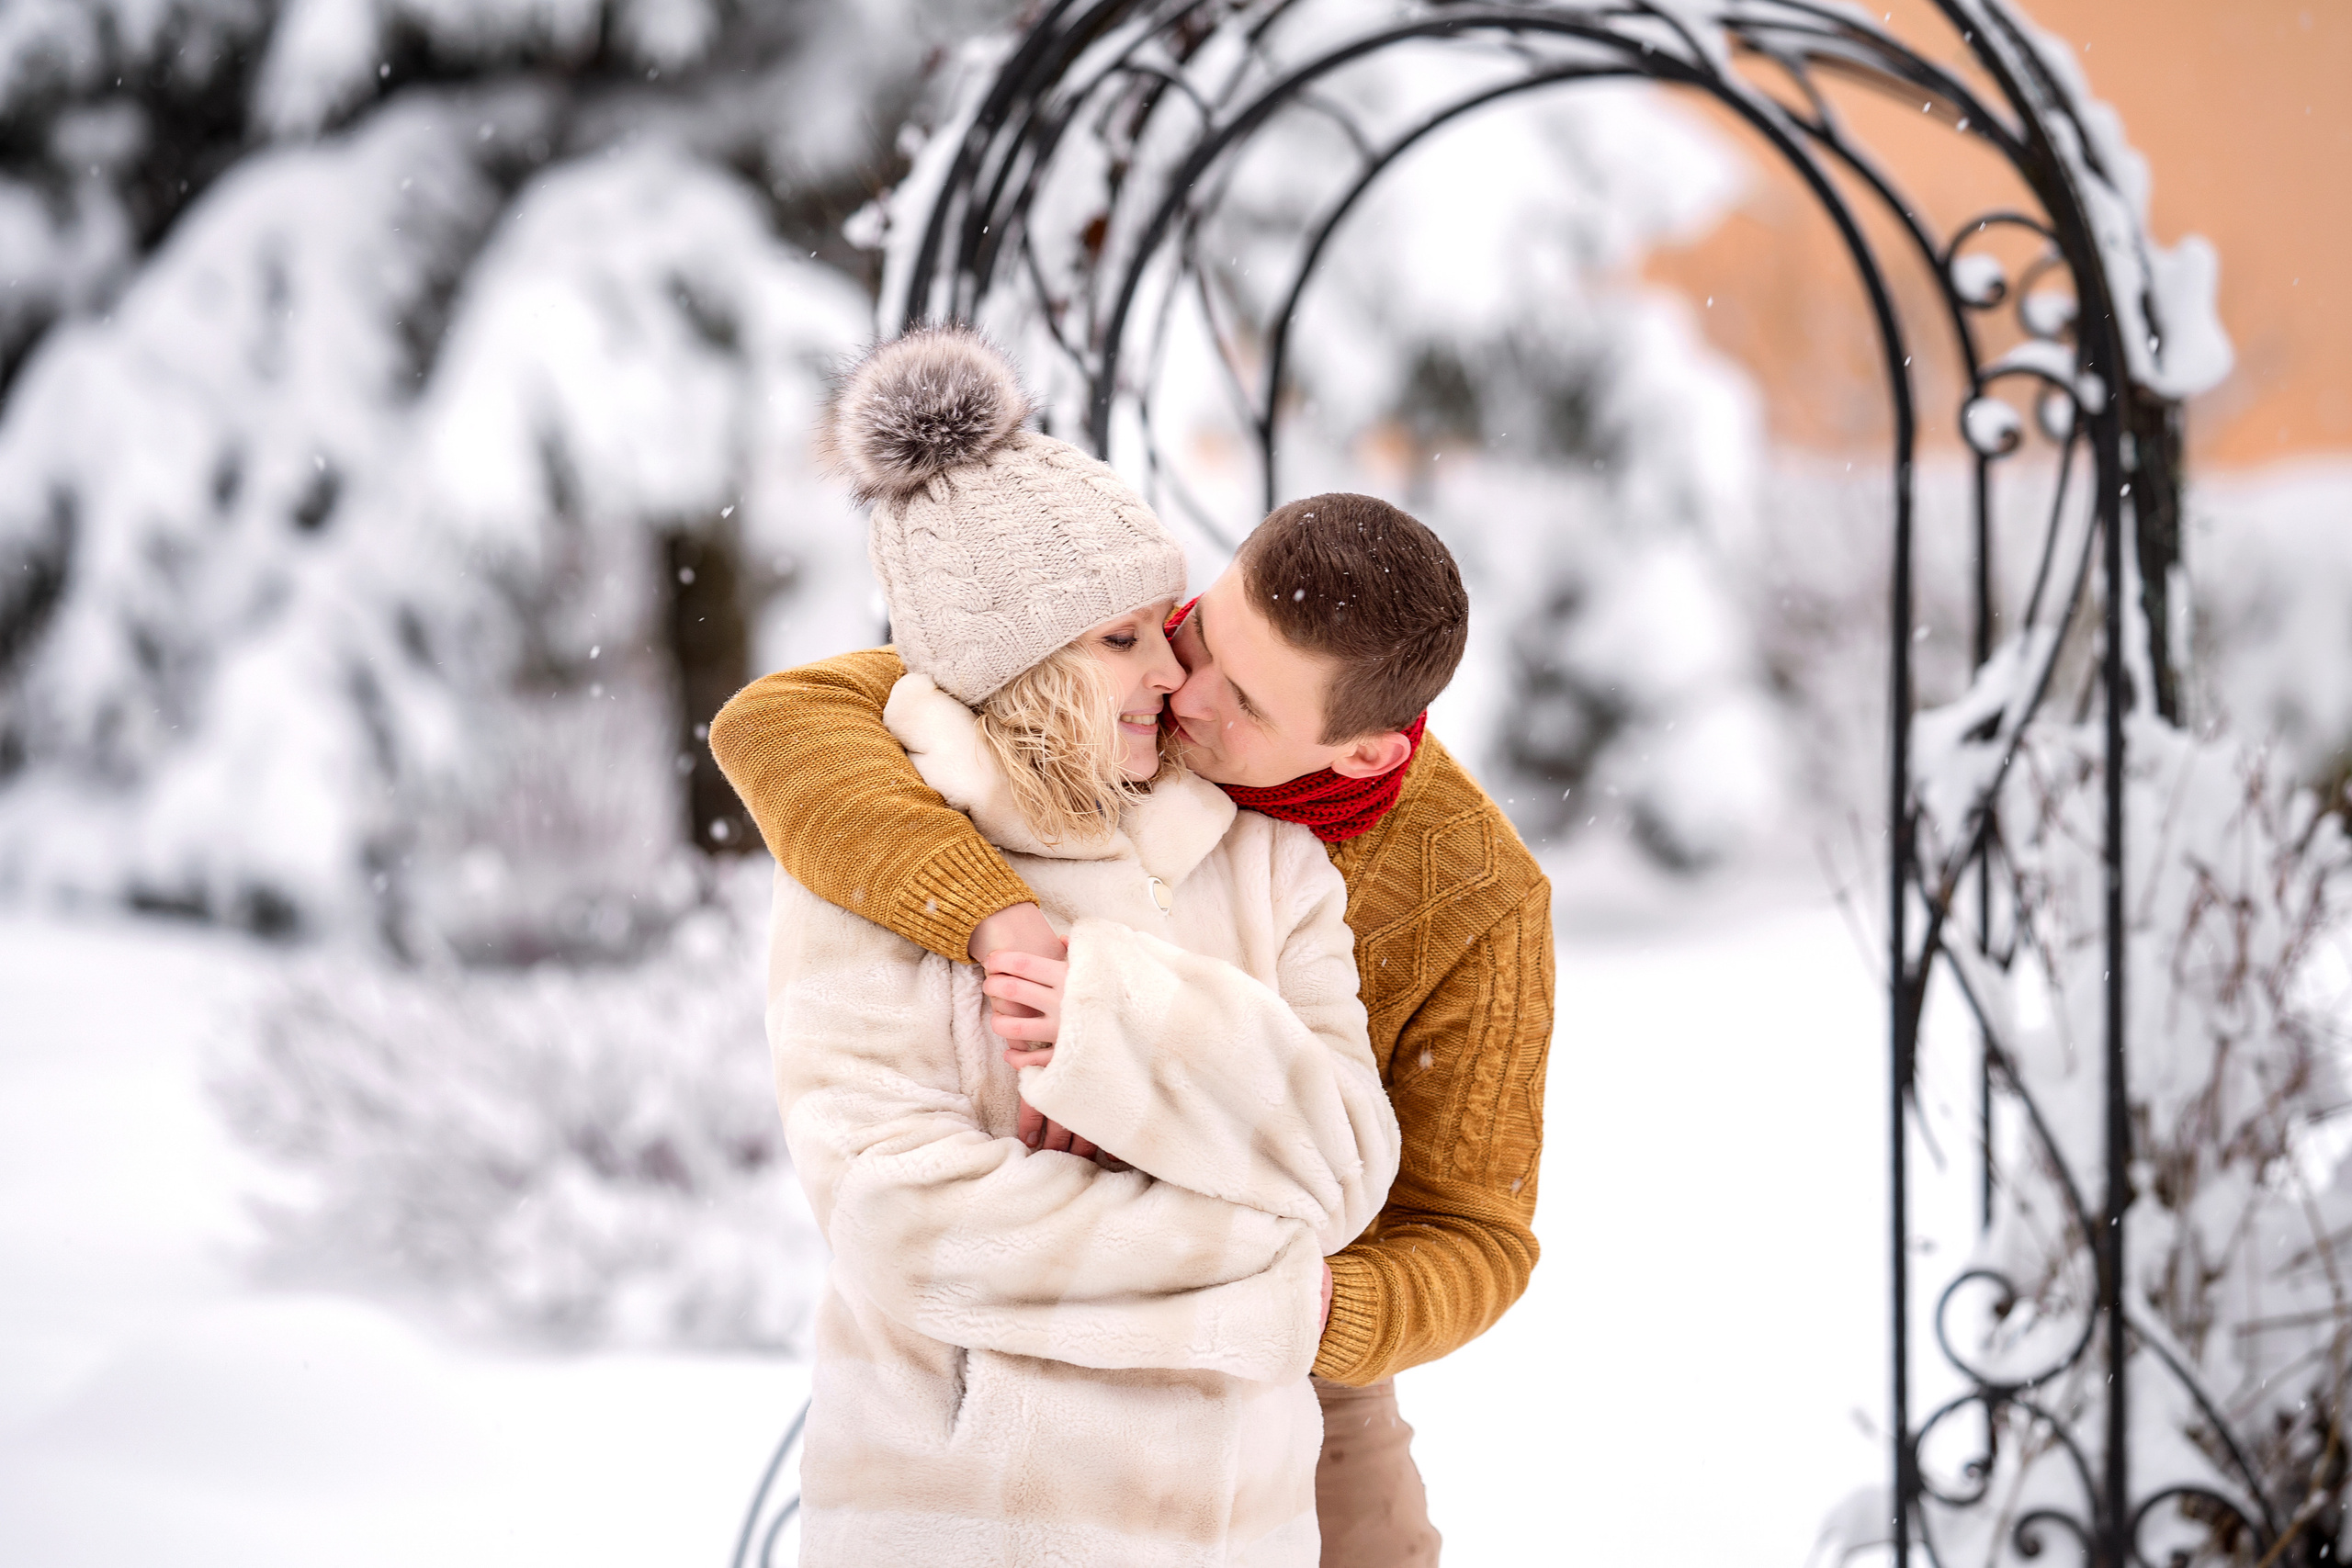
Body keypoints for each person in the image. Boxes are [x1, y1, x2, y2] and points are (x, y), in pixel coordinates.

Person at [718, 341, 1556, 1568]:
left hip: (1316, 1362)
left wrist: (1304, 1301)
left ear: (1364, 753)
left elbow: (1465, 1224)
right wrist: (988, 912)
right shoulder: (1065, 700)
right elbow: (790, 717)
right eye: (1192, 631)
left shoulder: (1464, 891)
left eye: (1249, 703)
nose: (1186, 689)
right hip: (1007, 1440)